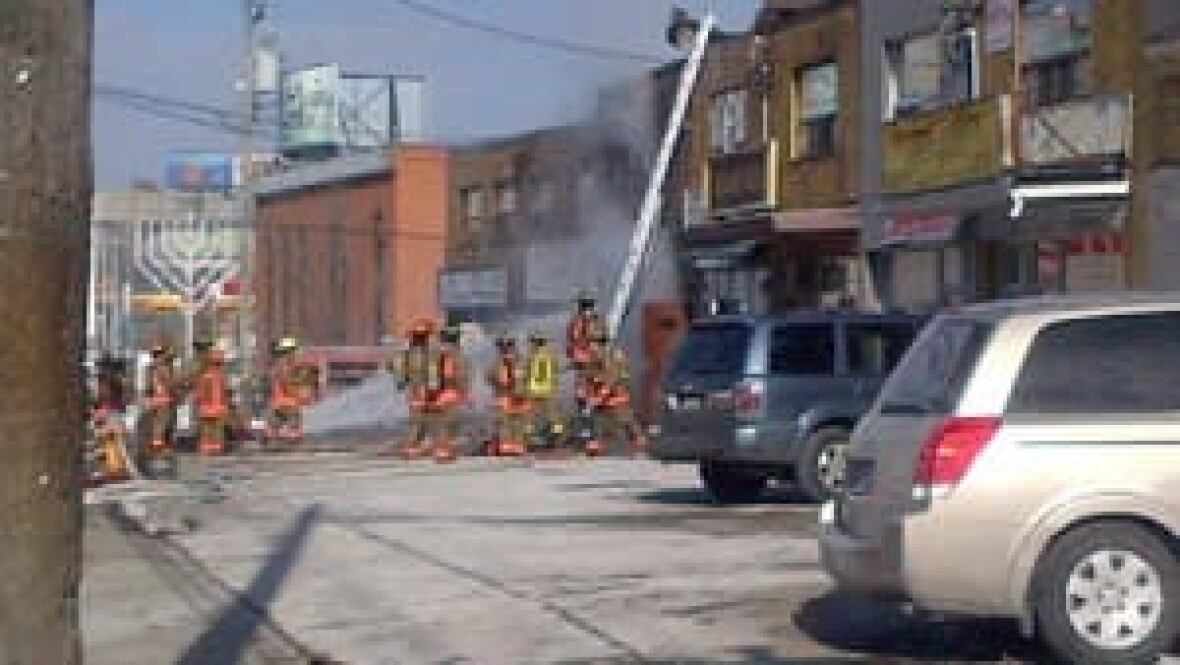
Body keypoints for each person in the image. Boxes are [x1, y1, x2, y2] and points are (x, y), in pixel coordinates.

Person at [585, 332, 646, 457]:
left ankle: (638, 442)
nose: (591, 347)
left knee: (623, 420)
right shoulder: (601, 356)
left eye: (593, 343)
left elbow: (611, 379)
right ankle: (597, 444)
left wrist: (598, 397)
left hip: (615, 396)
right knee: (603, 420)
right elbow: (594, 376)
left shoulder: (610, 357)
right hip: (609, 397)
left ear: (601, 344)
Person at [391, 320, 436, 459]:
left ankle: (420, 444)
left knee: (423, 418)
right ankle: (411, 446)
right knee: (418, 419)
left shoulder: (409, 352)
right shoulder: (422, 353)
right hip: (420, 390)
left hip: (419, 390)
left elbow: (396, 369)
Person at [426, 324, 468, 463]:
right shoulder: (456, 354)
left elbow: (429, 375)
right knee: (449, 423)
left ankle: (442, 451)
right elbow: (459, 375)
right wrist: (464, 393)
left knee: (440, 423)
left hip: (437, 393)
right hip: (451, 392)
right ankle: (445, 452)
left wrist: (430, 394)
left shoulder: (434, 354)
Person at [487, 334, 530, 457]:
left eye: (507, 345)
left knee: (513, 421)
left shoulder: (518, 361)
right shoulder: (515, 360)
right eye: (502, 345)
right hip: (509, 395)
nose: (504, 348)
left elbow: (490, 377)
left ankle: (513, 445)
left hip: (513, 396)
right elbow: (490, 376)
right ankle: (510, 446)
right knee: (509, 421)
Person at [92, 354, 132, 482]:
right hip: (110, 413)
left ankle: (115, 467)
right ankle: (111, 466)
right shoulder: (112, 380)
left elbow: (108, 397)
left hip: (112, 414)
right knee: (107, 441)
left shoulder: (109, 380)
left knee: (111, 440)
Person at [525, 332, 562, 450]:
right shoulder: (551, 355)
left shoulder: (531, 356)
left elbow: (527, 372)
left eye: (533, 342)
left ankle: (529, 437)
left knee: (530, 416)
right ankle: (556, 435)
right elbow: (556, 370)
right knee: (553, 415)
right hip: (549, 390)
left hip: (534, 390)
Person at [195, 347, 231, 455]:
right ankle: (217, 448)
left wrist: (199, 403)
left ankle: (206, 448)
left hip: (206, 408)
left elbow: (200, 393)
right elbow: (225, 391)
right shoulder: (221, 376)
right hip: (219, 407)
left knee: (206, 429)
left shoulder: (204, 375)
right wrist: (228, 403)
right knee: (218, 430)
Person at [269, 336, 304, 446]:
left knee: (279, 419)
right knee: (292, 417)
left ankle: (275, 434)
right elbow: (287, 382)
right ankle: (288, 434)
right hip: (287, 401)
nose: (297, 354)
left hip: (281, 401)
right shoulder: (285, 366)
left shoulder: (283, 366)